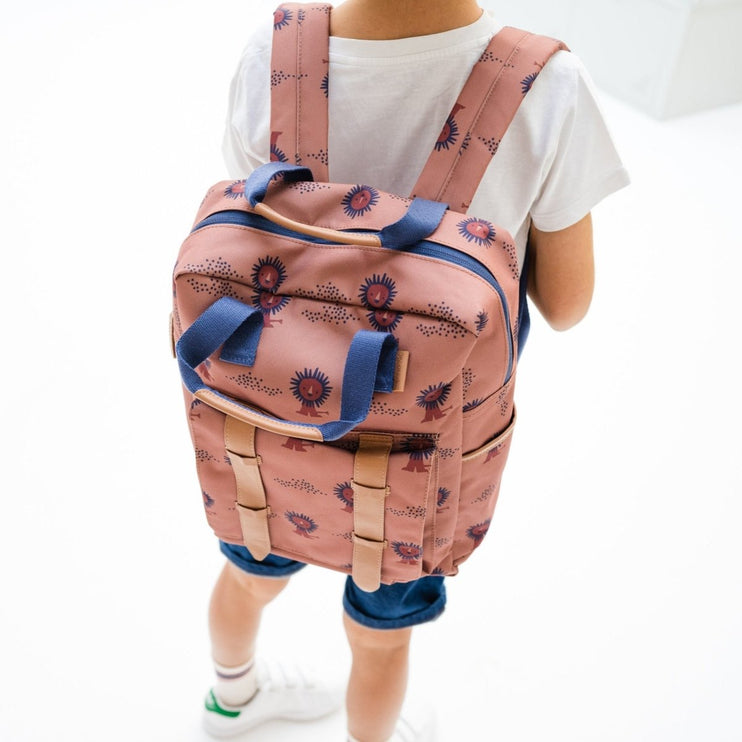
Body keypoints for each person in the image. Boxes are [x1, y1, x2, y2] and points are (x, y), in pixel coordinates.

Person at [206, 1, 630, 741]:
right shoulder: (547, 85)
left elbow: (255, 233)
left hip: (268, 427)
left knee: (248, 571)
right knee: (380, 638)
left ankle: (232, 699)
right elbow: (567, 304)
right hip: (419, 463)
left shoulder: (276, 52)